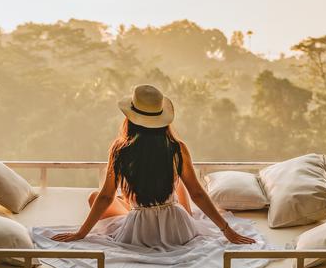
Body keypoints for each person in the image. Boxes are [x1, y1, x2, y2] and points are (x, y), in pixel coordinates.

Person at [51, 84, 255, 247]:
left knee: (95, 197)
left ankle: (135, 205)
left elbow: (106, 197)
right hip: (177, 227)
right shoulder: (176, 148)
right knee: (180, 181)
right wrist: (226, 229)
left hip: (140, 231)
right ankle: (167, 210)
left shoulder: (120, 149)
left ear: (130, 117)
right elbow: (198, 194)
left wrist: (81, 233)